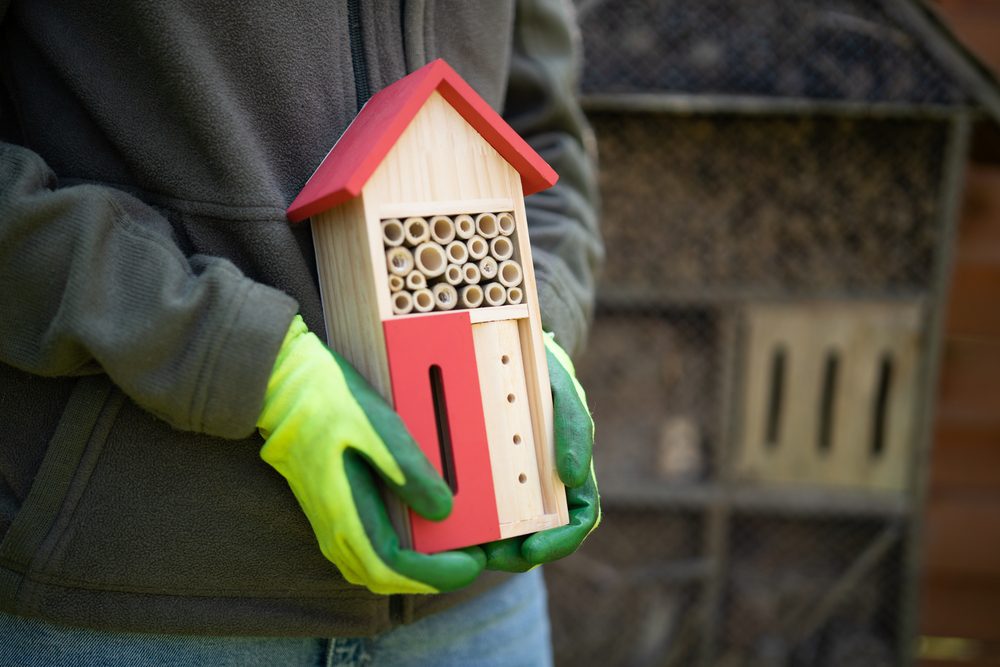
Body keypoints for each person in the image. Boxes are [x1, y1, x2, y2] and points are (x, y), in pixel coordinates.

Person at [0, 0, 602, 663]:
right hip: (148, 602)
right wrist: (234, 351)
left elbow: (545, 136)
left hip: (480, 608)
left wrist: (535, 314)